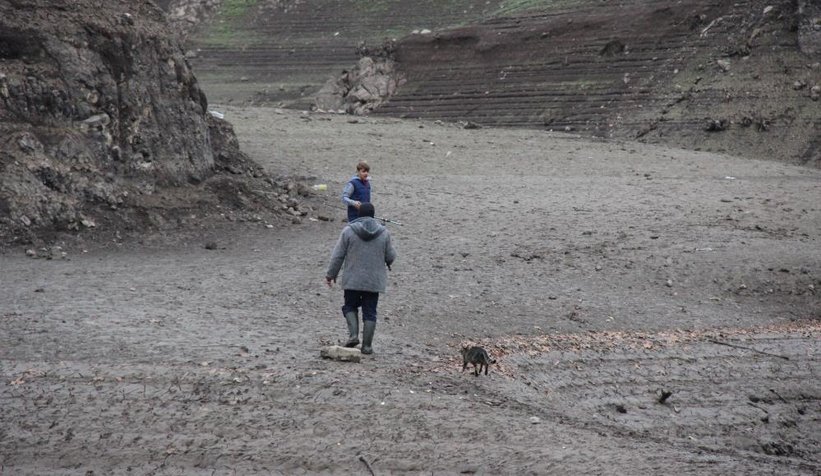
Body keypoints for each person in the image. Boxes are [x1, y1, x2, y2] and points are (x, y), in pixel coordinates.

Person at [325, 203, 396, 355]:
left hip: (352, 279)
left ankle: (353, 335)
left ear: (359, 215)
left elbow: (338, 255)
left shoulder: (348, 231)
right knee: (370, 312)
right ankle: (367, 346)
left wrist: (331, 274)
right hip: (374, 281)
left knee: (350, 306)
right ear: (373, 215)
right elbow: (391, 256)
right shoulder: (384, 233)